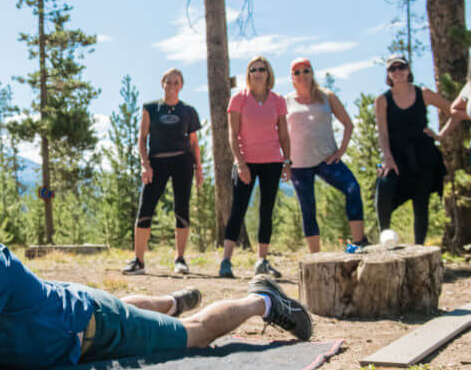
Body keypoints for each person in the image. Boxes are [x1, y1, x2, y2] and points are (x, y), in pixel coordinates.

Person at [0, 191, 313, 370]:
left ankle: (261, 298)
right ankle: (167, 300)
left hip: (88, 328)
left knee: (192, 336)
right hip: (58, 311)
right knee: (128, 306)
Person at [122, 68, 203, 276]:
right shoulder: (151, 108)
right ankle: (138, 260)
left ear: (181, 86)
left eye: (176, 82)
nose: (172, 85)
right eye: (168, 82)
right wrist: (144, 164)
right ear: (162, 84)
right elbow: (142, 138)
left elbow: (194, 143)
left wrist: (199, 169)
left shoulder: (189, 111)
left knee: (181, 208)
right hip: (156, 162)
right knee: (145, 207)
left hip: (183, 162)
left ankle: (180, 258)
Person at [285, 57, 368, 252]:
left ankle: (359, 241)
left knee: (352, 188)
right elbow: (278, 132)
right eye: (297, 72)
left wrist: (341, 151)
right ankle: (316, 257)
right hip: (298, 164)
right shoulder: (285, 101)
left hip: (326, 159)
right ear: (292, 78)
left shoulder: (327, 97)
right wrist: (284, 161)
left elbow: (348, 123)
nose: (302, 75)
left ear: (312, 73)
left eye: (306, 70)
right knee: (307, 206)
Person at [220, 56, 291, 279]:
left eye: (262, 69)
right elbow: (232, 134)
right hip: (246, 162)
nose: (258, 73)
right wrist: (240, 163)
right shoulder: (239, 99)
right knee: (238, 210)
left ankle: (262, 261)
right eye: (253, 69)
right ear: (248, 74)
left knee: (266, 210)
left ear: (268, 73)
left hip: (272, 161)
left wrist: (287, 161)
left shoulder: (278, 100)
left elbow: (283, 134)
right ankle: (226, 260)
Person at [374, 54, 451, 245]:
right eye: (393, 69)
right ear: (388, 74)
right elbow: (382, 133)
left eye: (401, 67)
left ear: (408, 70)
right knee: (384, 185)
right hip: (396, 157)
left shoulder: (423, 93)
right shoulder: (382, 100)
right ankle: (385, 237)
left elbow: (452, 110)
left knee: (421, 202)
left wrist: (440, 134)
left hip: (424, 156)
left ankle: (419, 249)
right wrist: (387, 158)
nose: (398, 72)